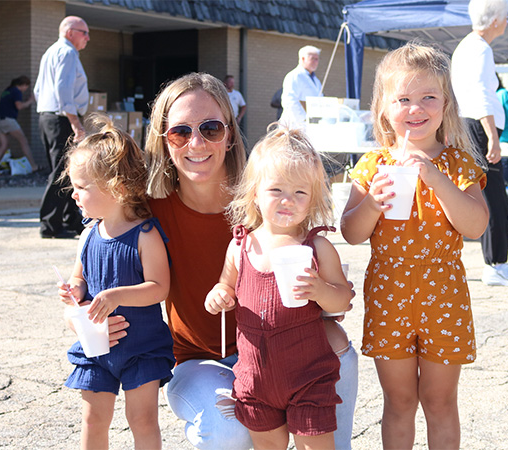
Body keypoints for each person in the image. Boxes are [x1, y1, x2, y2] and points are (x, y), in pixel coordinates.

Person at [139, 72, 358, 450]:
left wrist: (322, 293)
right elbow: (97, 266)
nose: (196, 142)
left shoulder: (271, 191)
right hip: (199, 361)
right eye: (180, 132)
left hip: (277, 346)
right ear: (163, 139)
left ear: (229, 132)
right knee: (231, 428)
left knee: (338, 349)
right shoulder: (150, 209)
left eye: (210, 128)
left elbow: (327, 284)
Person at [341, 41, 489, 450]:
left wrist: (437, 179)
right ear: (384, 108)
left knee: (440, 402)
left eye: (428, 97)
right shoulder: (373, 165)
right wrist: (372, 202)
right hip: (389, 295)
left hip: (445, 295)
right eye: (403, 98)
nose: (415, 108)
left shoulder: (458, 164)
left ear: (445, 106)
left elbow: (476, 225)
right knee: (400, 401)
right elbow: (351, 232)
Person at [205, 126, 353, 449]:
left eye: (300, 193)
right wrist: (218, 296)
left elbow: (343, 298)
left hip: (309, 378)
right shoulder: (241, 247)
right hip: (256, 381)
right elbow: (225, 285)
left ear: (313, 197)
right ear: (255, 193)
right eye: (276, 190)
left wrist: (318, 290)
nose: (288, 201)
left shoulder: (318, 248)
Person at [56, 115, 175, 450]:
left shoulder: (145, 234)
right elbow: (79, 279)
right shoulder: (89, 233)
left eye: (81, 187)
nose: (74, 195)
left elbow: (159, 287)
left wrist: (115, 295)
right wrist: (74, 289)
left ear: (118, 188)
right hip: (96, 348)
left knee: (142, 421)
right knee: (93, 420)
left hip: (141, 348)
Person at [451, 0, 508, 287]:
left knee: (484, 193)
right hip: (479, 127)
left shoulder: (466, 46)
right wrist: (493, 137)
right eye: (505, 15)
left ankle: (495, 262)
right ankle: (496, 263)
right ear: (495, 19)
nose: (507, 20)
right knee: (494, 195)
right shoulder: (481, 48)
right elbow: (481, 93)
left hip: (467, 125)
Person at [35, 16, 90, 239]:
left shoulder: (50, 52)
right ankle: (50, 225)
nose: (88, 37)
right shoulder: (67, 53)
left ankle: (71, 221)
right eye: (84, 32)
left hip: (47, 117)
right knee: (61, 174)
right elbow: (63, 90)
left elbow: (39, 90)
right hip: (62, 120)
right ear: (70, 32)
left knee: (66, 173)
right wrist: (75, 123)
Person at [0, 75, 37, 175]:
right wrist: (30, 101)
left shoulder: (7, 90)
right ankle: (34, 167)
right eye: (26, 87)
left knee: (3, 145)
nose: (25, 89)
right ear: (24, 85)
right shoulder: (16, 91)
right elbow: (19, 106)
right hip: (8, 120)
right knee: (23, 141)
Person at [280, 45, 322, 129]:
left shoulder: (316, 80)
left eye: (317, 59)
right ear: (303, 59)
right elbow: (289, 101)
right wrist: (303, 119)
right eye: (313, 59)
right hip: (294, 125)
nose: (316, 62)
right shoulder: (294, 76)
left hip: (311, 126)